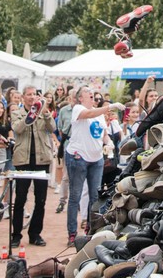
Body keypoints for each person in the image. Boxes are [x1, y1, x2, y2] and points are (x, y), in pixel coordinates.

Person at [64, 87, 121, 246]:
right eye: (87, 92)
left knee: (95, 196)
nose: (92, 94)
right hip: (78, 156)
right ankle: (72, 234)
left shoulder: (99, 113)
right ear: (80, 98)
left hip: (96, 159)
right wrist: (110, 107)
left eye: (92, 93)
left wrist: (108, 142)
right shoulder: (78, 109)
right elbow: (88, 115)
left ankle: (91, 229)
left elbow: (103, 134)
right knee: (75, 195)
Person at [9, 85, 54, 249]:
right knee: (20, 199)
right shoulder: (16, 113)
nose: (31, 97)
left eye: (34, 94)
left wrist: (45, 112)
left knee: (41, 199)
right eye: (28, 95)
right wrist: (31, 114)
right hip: (23, 160)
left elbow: (52, 128)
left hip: (42, 159)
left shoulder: (43, 112)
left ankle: (35, 234)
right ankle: (16, 235)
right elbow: (18, 129)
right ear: (22, 97)